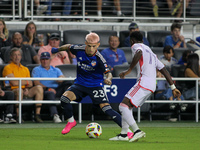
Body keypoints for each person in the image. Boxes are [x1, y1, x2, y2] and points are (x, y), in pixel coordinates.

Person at [51, 32, 133, 138]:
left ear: (98, 45)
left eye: (94, 46)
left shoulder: (100, 58)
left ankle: (127, 131)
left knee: (106, 109)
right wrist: (56, 50)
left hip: (95, 85)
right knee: (64, 99)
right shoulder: (79, 49)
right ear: (85, 43)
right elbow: (67, 46)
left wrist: (108, 79)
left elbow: (109, 73)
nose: (90, 49)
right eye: (89, 46)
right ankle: (71, 121)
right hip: (80, 83)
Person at [109, 31, 181, 142]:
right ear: (143, 40)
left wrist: (128, 71)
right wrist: (173, 87)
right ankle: (123, 135)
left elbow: (138, 53)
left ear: (132, 40)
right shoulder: (151, 52)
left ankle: (137, 131)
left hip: (143, 82)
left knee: (122, 106)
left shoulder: (136, 46)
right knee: (127, 106)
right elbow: (164, 70)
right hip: (151, 85)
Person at [2, 47, 44, 123]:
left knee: (39, 88)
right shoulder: (7, 67)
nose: (17, 57)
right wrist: (25, 83)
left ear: (21, 57)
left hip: (25, 90)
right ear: (11, 57)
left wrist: (26, 88)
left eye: (18, 55)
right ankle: (19, 116)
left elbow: (30, 83)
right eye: (14, 55)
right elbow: (14, 83)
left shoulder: (25, 69)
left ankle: (37, 115)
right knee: (19, 90)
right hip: (13, 90)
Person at [32, 52, 70, 123]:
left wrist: (61, 78)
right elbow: (36, 82)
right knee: (50, 93)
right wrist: (47, 88)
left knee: (67, 83)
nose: (45, 61)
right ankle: (55, 115)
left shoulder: (56, 69)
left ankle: (69, 113)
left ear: (50, 60)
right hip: (44, 90)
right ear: (40, 60)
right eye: (43, 59)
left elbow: (62, 77)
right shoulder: (36, 69)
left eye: (47, 59)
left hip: (57, 89)